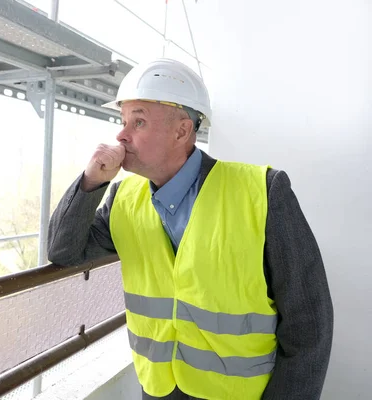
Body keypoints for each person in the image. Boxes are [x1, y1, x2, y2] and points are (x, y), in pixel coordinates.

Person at [47, 58, 333, 400]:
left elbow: (309, 323)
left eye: (138, 122)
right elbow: (63, 251)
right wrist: (91, 180)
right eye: (122, 122)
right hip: (158, 390)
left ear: (182, 131)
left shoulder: (263, 191)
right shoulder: (121, 199)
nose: (121, 135)